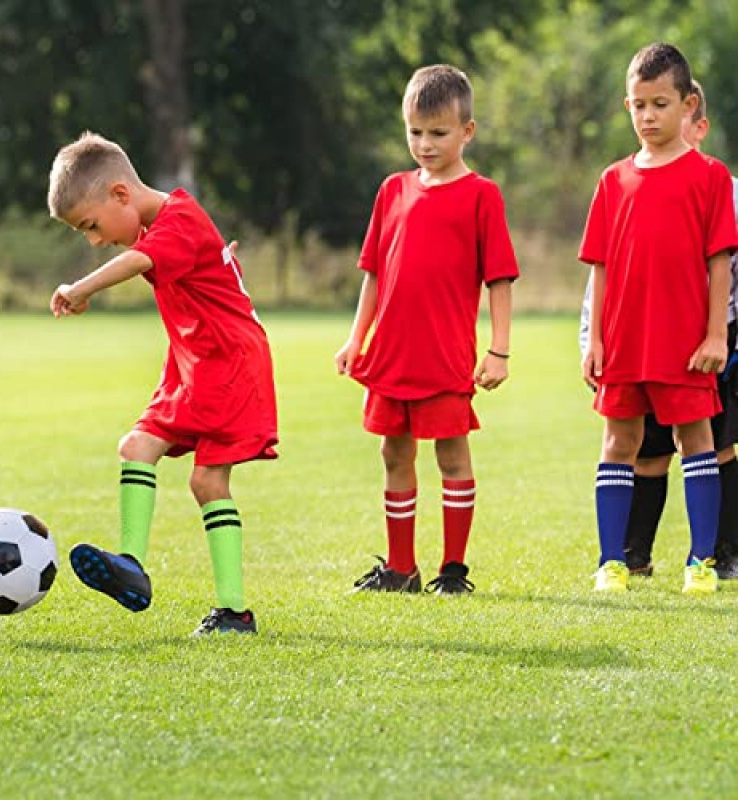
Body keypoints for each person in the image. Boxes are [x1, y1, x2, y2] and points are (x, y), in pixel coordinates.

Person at [47, 132, 278, 635]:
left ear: (121, 195)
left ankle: (234, 612)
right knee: (136, 447)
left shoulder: (175, 220)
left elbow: (138, 260)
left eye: (91, 225)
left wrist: (79, 287)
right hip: (195, 362)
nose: (94, 239)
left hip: (229, 364)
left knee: (208, 481)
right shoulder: (171, 223)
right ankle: (131, 567)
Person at [335, 64, 519, 595]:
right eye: (415, 132)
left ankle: (453, 570)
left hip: (444, 355)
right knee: (394, 453)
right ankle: (400, 569)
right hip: (391, 354)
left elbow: (500, 279)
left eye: (438, 133)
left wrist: (499, 350)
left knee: (452, 453)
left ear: (467, 131)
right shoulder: (392, 190)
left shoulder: (482, 195)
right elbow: (373, 274)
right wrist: (355, 338)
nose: (425, 143)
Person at [580, 43, 738, 594]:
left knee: (694, 439)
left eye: (660, 104)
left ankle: (700, 562)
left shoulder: (711, 177)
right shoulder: (612, 180)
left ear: (688, 104)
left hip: (685, 342)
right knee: (618, 442)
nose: (647, 117)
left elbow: (720, 263)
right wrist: (594, 339)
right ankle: (612, 562)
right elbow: (599, 268)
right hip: (623, 342)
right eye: (638, 105)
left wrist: (716, 332)